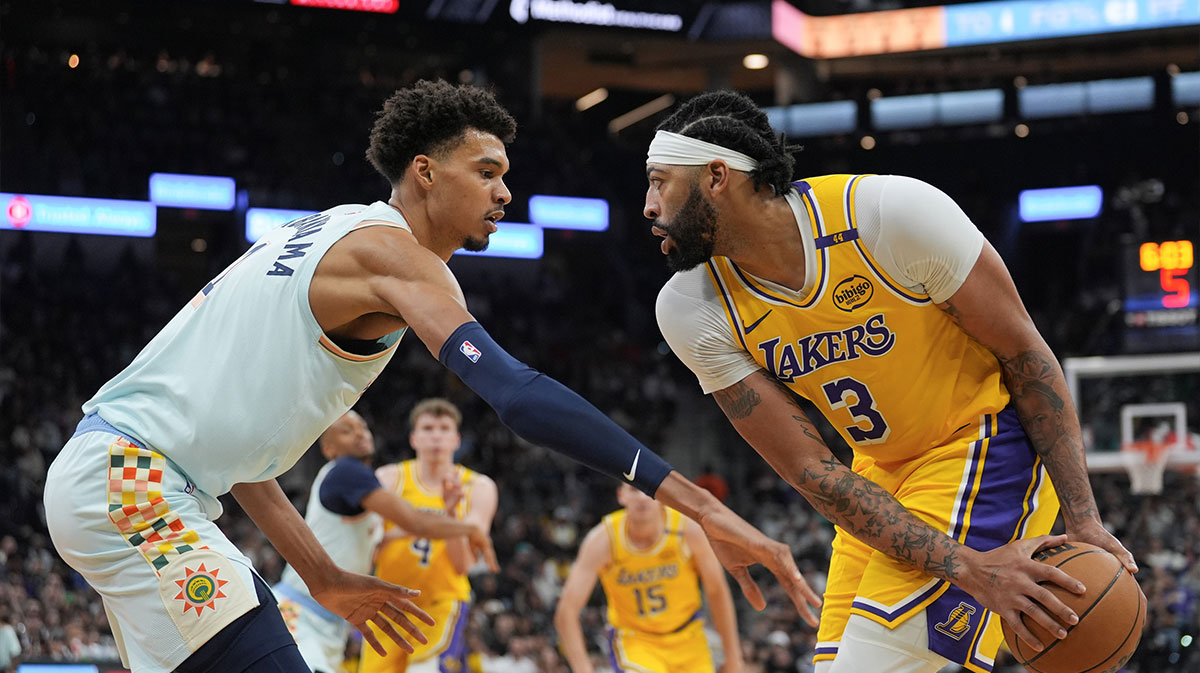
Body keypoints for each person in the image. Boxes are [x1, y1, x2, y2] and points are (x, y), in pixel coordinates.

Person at [43, 80, 819, 673]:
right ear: (424, 171)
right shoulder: (395, 259)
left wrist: (319, 572)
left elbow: (236, 453)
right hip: (132, 482)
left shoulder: (324, 227)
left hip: (130, 477)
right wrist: (698, 505)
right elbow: (516, 393)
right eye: (486, 171)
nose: (505, 192)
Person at [643, 90, 1137, 673]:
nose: (648, 206)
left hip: (984, 444)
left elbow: (1025, 352)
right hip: (880, 473)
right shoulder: (691, 307)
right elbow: (813, 470)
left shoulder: (886, 216)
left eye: (659, 182)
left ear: (717, 177)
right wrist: (967, 567)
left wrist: (1082, 515)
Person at [274, 409, 498, 673]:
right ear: (329, 448)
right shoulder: (348, 472)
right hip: (303, 609)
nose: (359, 434)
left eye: (363, 427)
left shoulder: (358, 488)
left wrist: (451, 519)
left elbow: (398, 533)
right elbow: (415, 522)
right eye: (347, 431)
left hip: (336, 618)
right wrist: (469, 529)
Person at [361, 398, 498, 673]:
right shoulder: (388, 479)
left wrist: (449, 515)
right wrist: (418, 525)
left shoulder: (478, 487)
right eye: (428, 428)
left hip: (442, 601)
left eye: (444, 428)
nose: (436, 435)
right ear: (414, 438)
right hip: (388, 603)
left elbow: (464, 565)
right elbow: (366, 546)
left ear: (456, 439)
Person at [554, 483, 745, 673]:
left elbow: (717, 592)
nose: (642, 497)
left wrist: (734, 658)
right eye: (634, 490)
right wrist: (583, 669)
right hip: (635, 642)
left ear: (662, 496)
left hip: (689, 639)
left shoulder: (688, 530)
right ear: (621, 496)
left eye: (648, 490)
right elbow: (566, 611)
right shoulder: (603, 540)